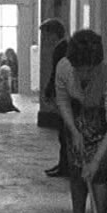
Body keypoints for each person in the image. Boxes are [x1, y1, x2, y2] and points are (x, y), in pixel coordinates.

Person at [53, 29, 107, 213]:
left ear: (97, 64)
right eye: (79, 69)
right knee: (77, 173)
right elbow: (62, 100)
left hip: (103, 125)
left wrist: (96, 160)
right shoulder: (64, 68)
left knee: (98, 176)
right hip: (77, 119)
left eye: (89, 69)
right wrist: (74, 132)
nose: (84, 74)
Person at [40, 18, 69, 177]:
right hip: (65, 94)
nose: (44, 39)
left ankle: (65, 166)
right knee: (63, 133)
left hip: (63, 95)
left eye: (46, 35)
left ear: (53, 34)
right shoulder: (64, 47)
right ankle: (63, 164)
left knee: (64, 133)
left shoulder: (61, 49)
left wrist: (49, 91)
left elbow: (56, 73)